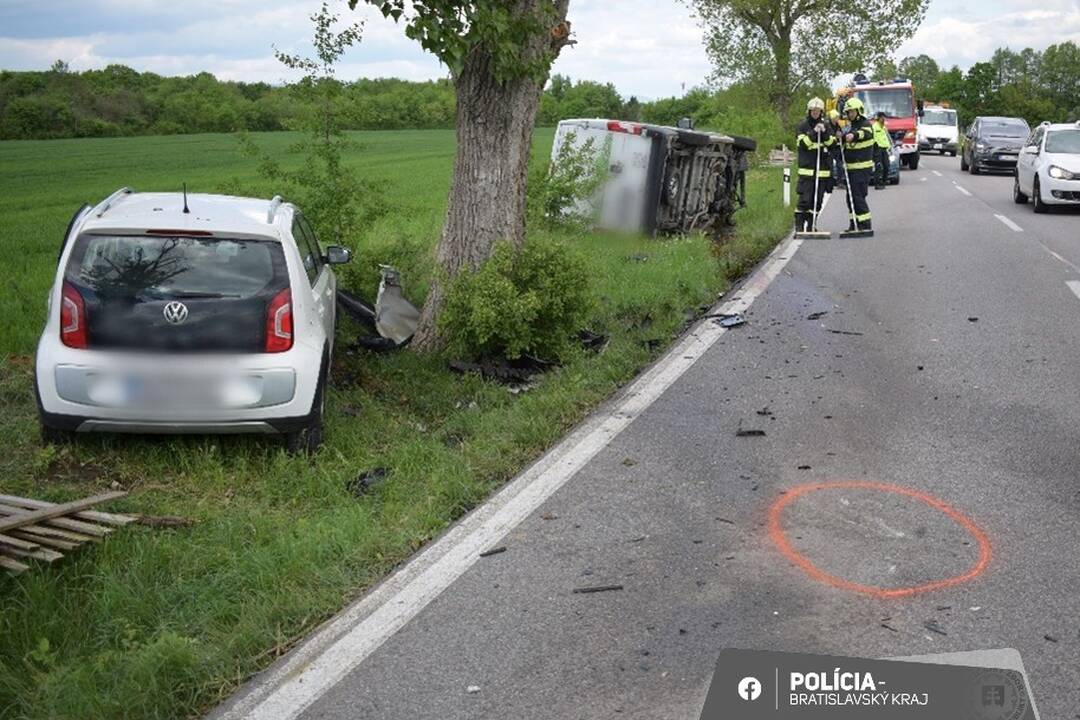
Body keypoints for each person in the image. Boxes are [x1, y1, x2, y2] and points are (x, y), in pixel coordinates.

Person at [794, 97, 836, 232]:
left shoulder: (827, 126)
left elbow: (832, 144)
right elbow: (803, 144)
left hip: (822, 171)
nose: (815, 113)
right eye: (813, 110)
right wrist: (813, 132)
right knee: (804, 200)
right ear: (809, 111)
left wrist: (824, 133)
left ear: (821, 112)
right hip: (807, 171)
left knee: (817, 201)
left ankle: (812, 225)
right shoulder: (802, 126)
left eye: (818, 111)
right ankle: (799, 226)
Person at [840, 97, 875, 232]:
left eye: (852, 111)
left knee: (858, 197)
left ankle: (865, 224)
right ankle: (854, 223)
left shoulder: (865, 124)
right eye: (848, 112)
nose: (850, 114)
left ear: (859, 111)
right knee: (850, 198)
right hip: (851, 169)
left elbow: (865, 134)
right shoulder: (850, 126)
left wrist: (853, 136)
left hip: (862, 168)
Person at [871, 111, 891, 190]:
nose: (883, 119)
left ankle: (883, 182)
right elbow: (872, 138)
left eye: (884, 118)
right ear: (878, 118)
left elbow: (886, 138)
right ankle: (877, 184)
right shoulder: (874, 127)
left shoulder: (883, 127)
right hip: (877, 149)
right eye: (882, 118)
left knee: (886, 166)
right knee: (878, 167)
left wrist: (889, 146)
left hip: (884, 149)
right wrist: (875, 147)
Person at [828, 108, 845, 189]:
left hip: (837, 148)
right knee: (830, 166)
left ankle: (840, 182)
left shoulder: (838, 125)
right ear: (832, 117)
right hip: (830, 148)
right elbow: (828, 136)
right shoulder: (828, 126)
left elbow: (841, 134)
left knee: (839, 165)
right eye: (836, 117)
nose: (838, 118)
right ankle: (830, 183)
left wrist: (841, 136)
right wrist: (836, 136)